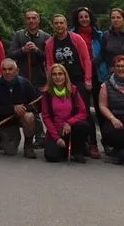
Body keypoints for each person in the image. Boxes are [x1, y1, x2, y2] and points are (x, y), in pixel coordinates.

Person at [44, 13, 93, 151]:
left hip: (78, 79)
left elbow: (86, 59)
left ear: (66, 24)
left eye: (61, 23)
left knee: (84, 112)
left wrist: (88, 79)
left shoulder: (76, 39)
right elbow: (49, 63)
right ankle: (60, 137)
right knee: (60, 110)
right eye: (56, 23)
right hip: (59, 80)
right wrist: (50, 82)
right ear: (53, 25)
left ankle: (89, 142)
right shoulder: (49, 43)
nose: (59, 25)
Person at [70, 6, 106, 159]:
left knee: (101, 109)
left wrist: (91, 65)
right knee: (83, 110)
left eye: (86, 16)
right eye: (81, 17)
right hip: (79, 76)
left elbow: (104, 53)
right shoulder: (71, 35)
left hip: (98, 75)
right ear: (77, 20)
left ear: (90, 18)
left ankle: (107, 142)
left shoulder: (99, 35)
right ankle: (89, 143)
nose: (84, 19)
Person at [0, 59, 40, 159]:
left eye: (10, 69)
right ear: (1, 70)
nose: (7, 72)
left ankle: (28, 145)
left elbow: (37, 104)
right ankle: (3, 137)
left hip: (22, 117)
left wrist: (25, 108)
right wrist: (12, 109)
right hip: (5, 120)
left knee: (29, 116)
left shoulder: (25, 84)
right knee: (10, 151)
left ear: (17, 70)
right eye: (4, 69)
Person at [41, 63, 89, 163]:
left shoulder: (73, 90)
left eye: (60, 74)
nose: (57, 77)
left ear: (65, 75)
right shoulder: (47, 93)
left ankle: (77, 151)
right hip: (56, 130)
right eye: (54, 74)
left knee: (82, 125)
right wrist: (57, 138)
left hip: (71, 129)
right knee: (52, 157)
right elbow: (46, 117)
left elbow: (83, 112)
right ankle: (64, 148)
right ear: (51, 77)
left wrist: (69, 122)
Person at [9, 9, 50, 90]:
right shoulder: (18, 35)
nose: (31, 21)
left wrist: (37, 50)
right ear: (25, 21)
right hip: (21, 78)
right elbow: (10, 55)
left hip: (41, 79)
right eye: (28, 18)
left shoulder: (46, 37)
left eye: (34, 18)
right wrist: (23, 50)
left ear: (38, 20)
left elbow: (49, 57)